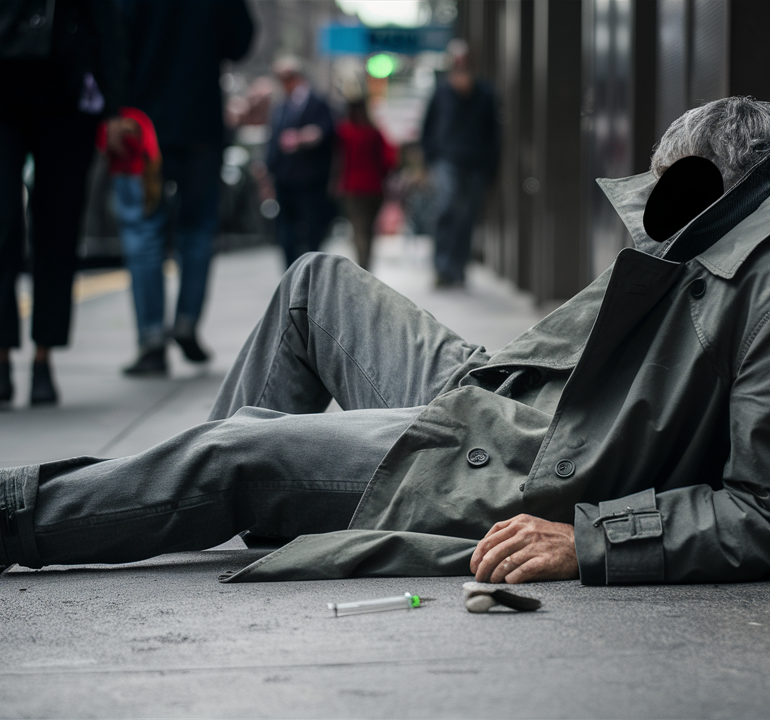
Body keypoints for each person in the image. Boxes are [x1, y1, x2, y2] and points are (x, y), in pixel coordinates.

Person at [3, 96, 770, 589]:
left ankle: (44, 510)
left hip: (520, 468)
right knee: (316, 283)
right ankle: (214, 494)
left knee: (246, 449)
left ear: (714, 183)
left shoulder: (761, 280)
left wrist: (590, 538)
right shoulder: (726, 234)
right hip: (508, 396)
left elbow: (759, 512)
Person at [114, 0, 255, 376]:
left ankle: (151, 338)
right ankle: (187, 321)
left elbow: (116, 36)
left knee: (144, 229)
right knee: (197, 229)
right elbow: (239, 42)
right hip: (201, 121)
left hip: (144, 124)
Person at [0, 0, 128, 405]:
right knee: (1, 225)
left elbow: (107, 25)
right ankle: (0, 357)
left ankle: (44, 357)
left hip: (68, 97)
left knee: (58, 228)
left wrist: (113, 106)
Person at [421, 38, 500, 287]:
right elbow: (428, 126)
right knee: (446, 208)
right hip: (447, 161)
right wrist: (430, 158)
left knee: (467, 217)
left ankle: (458, 268)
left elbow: (494, 133)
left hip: (476, 164)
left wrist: (491, 166)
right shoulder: (441, 91)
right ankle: (442, 267)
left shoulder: (484, 93)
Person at [266, 57, 336, 269]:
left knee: (313, 228)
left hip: (311, 179)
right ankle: (291, 274)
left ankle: (311, 273)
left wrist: (300, 138)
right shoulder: (281, 106)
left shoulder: (317, 103)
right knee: (286, 231)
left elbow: (325, 133)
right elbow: (273, 141)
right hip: (285, 178)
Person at [335, 98, 397, 270]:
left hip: (353, 188)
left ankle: (363, 268)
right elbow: (388, 159)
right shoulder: (374, 132)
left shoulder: (344, 132)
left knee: (359, 229)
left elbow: (337, 161)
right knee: (368, 229)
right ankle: (365, 265)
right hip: (374, 188)